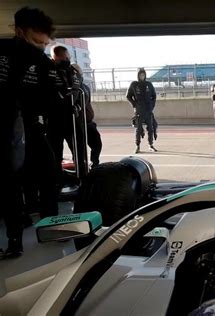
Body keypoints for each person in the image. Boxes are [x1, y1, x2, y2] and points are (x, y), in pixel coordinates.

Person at [0, 7, 58, 257]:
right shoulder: (1, 52)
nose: (40, 47)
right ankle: (15, 241)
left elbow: (50, 100)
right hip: (3, 129)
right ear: (19, 32)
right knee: (8, 184)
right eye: (36, 41)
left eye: (44, 44)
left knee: (49, 172)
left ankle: (53, 227)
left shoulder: (44, 63)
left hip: (32, 127)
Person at [48, 45, 88, 180]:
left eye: (69, 57)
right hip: (55, 119)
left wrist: (78, 106)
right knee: (55, 151)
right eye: (65, 57)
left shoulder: (73, 72)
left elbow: (82, 92)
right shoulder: (47, 71)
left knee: (79, 148)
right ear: (56, 57)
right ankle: (57, 179)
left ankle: (82, 177)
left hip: (73, 117)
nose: (68, 59)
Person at [71, 63, 102, 168]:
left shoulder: (85, 87)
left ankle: (94, 165)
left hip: (88, 122)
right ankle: (81, 169)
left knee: (97, 144)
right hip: (78, 124)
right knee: (79, 149)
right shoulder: (72, 89)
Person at [126, 68, 157, 153]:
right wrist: (134, 104)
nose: (142, 76)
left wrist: (152, 105)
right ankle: (137, 146)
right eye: (140, 75)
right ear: (138, 76)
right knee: (138, 129)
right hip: (139, 110)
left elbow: (154, 96)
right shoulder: (134, 85)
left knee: (151, 128)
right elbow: (128, 96)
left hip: (148, 110)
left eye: (143, 75)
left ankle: (150, 145)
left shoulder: (149, 84)